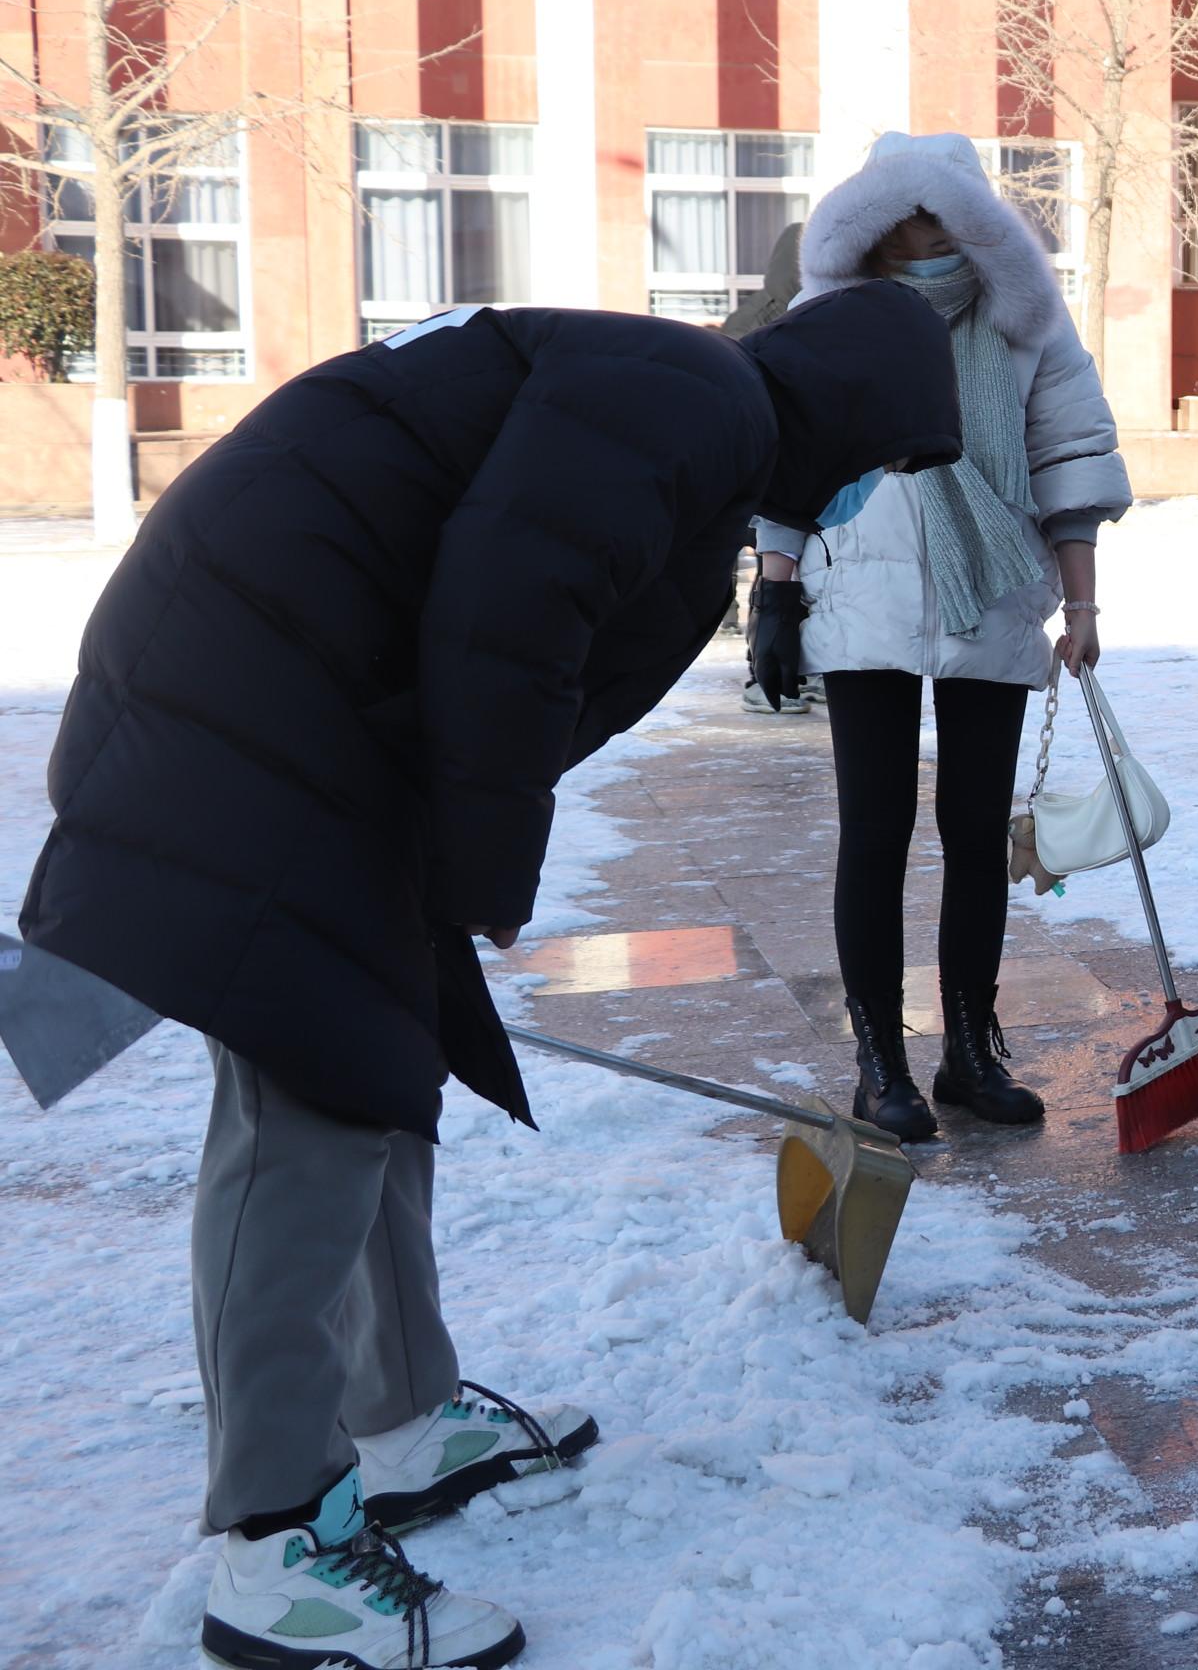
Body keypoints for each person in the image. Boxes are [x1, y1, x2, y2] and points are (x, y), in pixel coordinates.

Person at [16, 289, 959, 1668]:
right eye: (886, 460)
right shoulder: (703, 399)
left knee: (374, 1049)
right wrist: (483, 864)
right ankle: (273, 1540)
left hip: (298, 670)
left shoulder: (691, 407)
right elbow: (513, 605)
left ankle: (401, 1416)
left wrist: (443, 869)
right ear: (854, 408)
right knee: (312, 1097)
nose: (872, 489)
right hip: (267, 682)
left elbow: (510, 599)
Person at [748, 132, 1132, 1145]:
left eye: (940, 217)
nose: (921, 238)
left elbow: (1070, 455)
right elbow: (789, 455)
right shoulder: (829, 323)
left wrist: (1083, 606)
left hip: (994, 593)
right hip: (860, 597)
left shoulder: (1025, 325)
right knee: (872, 834)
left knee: (974, 835)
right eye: (901, 217)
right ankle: (883, 1062)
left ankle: (970, 1049)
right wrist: (774, 592)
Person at [726, 219, 820, 713]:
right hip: (760, 465)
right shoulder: (780, 323)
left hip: (761, 464)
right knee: (772, 572)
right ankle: (762, 677)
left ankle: (792, 669)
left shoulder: (757, 318)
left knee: (778, 571)